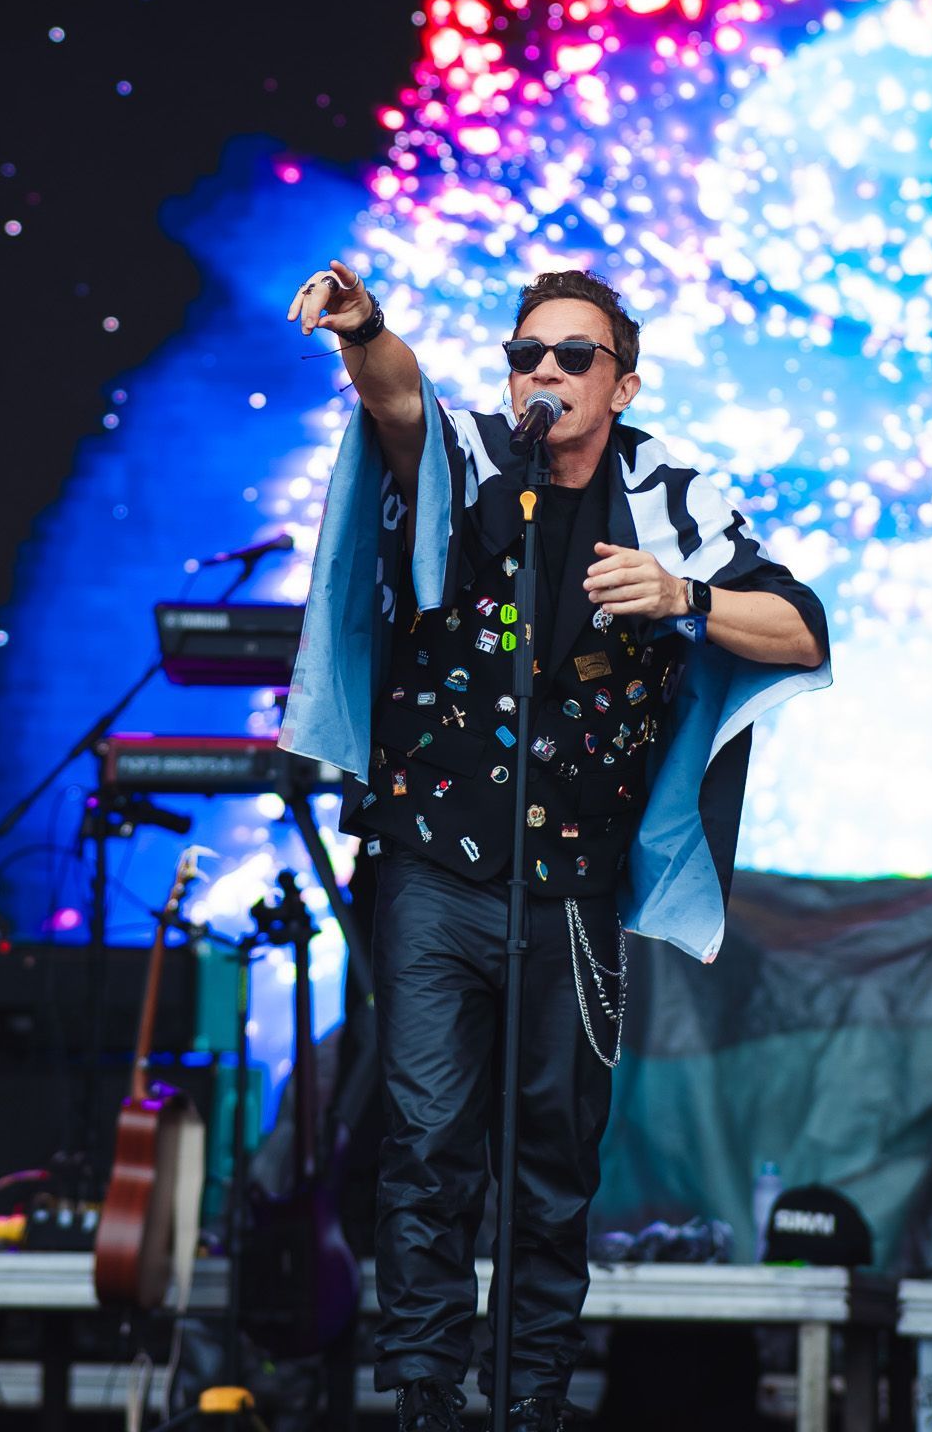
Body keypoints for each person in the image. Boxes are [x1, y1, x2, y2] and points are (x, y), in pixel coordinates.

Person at [281, 261, 830, 1432]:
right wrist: (365, 329)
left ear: (620, 383)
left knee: (552, 1149)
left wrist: (683, 595)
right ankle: (425, 1391)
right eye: (525, 352)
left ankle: (531, 1392)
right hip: (434, 860)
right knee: (427, 1137)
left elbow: (798, 628)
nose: (543, 371)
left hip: (573, 882)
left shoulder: (670, 495)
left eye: (573, 355)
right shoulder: (475, 455)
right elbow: (395, 400)